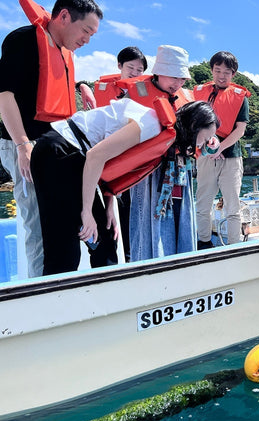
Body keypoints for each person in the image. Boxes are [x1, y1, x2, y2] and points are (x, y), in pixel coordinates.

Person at [30, 99, 218, 275]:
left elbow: (111, 167)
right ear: (194, 127)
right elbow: (96, 156)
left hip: (78, 160)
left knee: (106, 241)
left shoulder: (164, 136)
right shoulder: (151, 125)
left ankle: (106, 302)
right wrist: (86, 211)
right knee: (64, 252)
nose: (204, 143)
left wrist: (109, 209)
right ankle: (53, 305)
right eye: (207, 136)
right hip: (57, 154)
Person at [0, 0, 102, 278]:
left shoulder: (65, 53)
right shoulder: (23, 40)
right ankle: (39, 295)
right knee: (39, 223)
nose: (87, 40)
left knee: (62, 220)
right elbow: (4, 95)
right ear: (65, 16)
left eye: (93, 35)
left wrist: (83, 87)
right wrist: (22, 145)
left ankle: (64, 283)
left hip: (56, 148)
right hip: (26, 145)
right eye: (86, 31)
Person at [122, 45, 200, 261]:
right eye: (174, 77)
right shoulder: (135, 93)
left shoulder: (186, 97)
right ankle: (146, 264)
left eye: (182, 79)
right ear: (159, 71)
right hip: (148, 171)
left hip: (180, 168)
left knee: (181, 217)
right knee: (148, 219)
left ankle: (182, 261)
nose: (178, 84)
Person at [78, 46, 148, 262]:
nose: (135, 74)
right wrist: (83, 86)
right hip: (103, 161)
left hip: (129, 165)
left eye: (140, 70)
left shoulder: (145, 95)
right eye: (131, 68)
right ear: (119, 66)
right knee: (113, 218)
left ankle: (131, 258)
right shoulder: (106, 91)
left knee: (129, 217)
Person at [193, 51, 251, 248]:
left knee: (232, 206)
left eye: (227, 72)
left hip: (231, 157)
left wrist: (220, 148)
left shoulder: (241, 98)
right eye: (217, 70)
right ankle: (204, 243)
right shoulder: (199, 93)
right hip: (205, 156)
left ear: (233, 74)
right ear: (211, 70)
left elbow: (240, 130)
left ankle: (234, 246)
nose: (221, 75)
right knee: (203, 203)